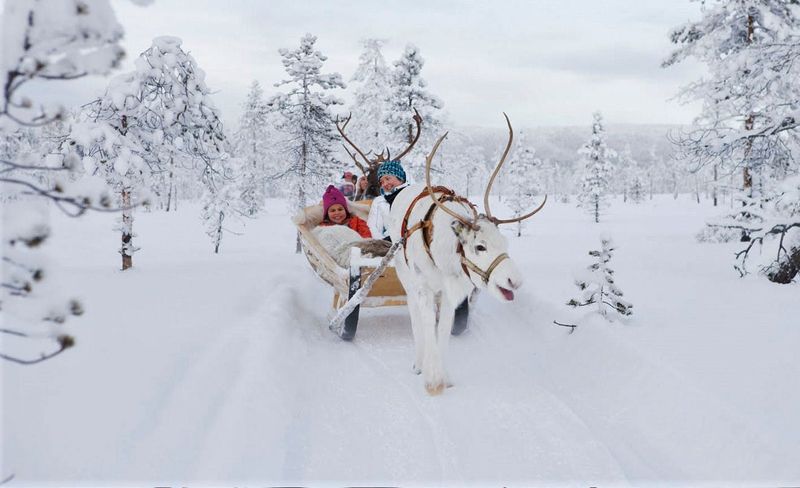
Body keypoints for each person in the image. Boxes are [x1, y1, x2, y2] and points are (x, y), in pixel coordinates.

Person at [367, 160, 409, 241]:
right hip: (388, 244)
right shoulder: (380, 201)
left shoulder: (413, 194)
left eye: (387, 178)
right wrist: (384, 242)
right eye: (381, 182)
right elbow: (373, 227)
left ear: (400, 177)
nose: (385, 184)